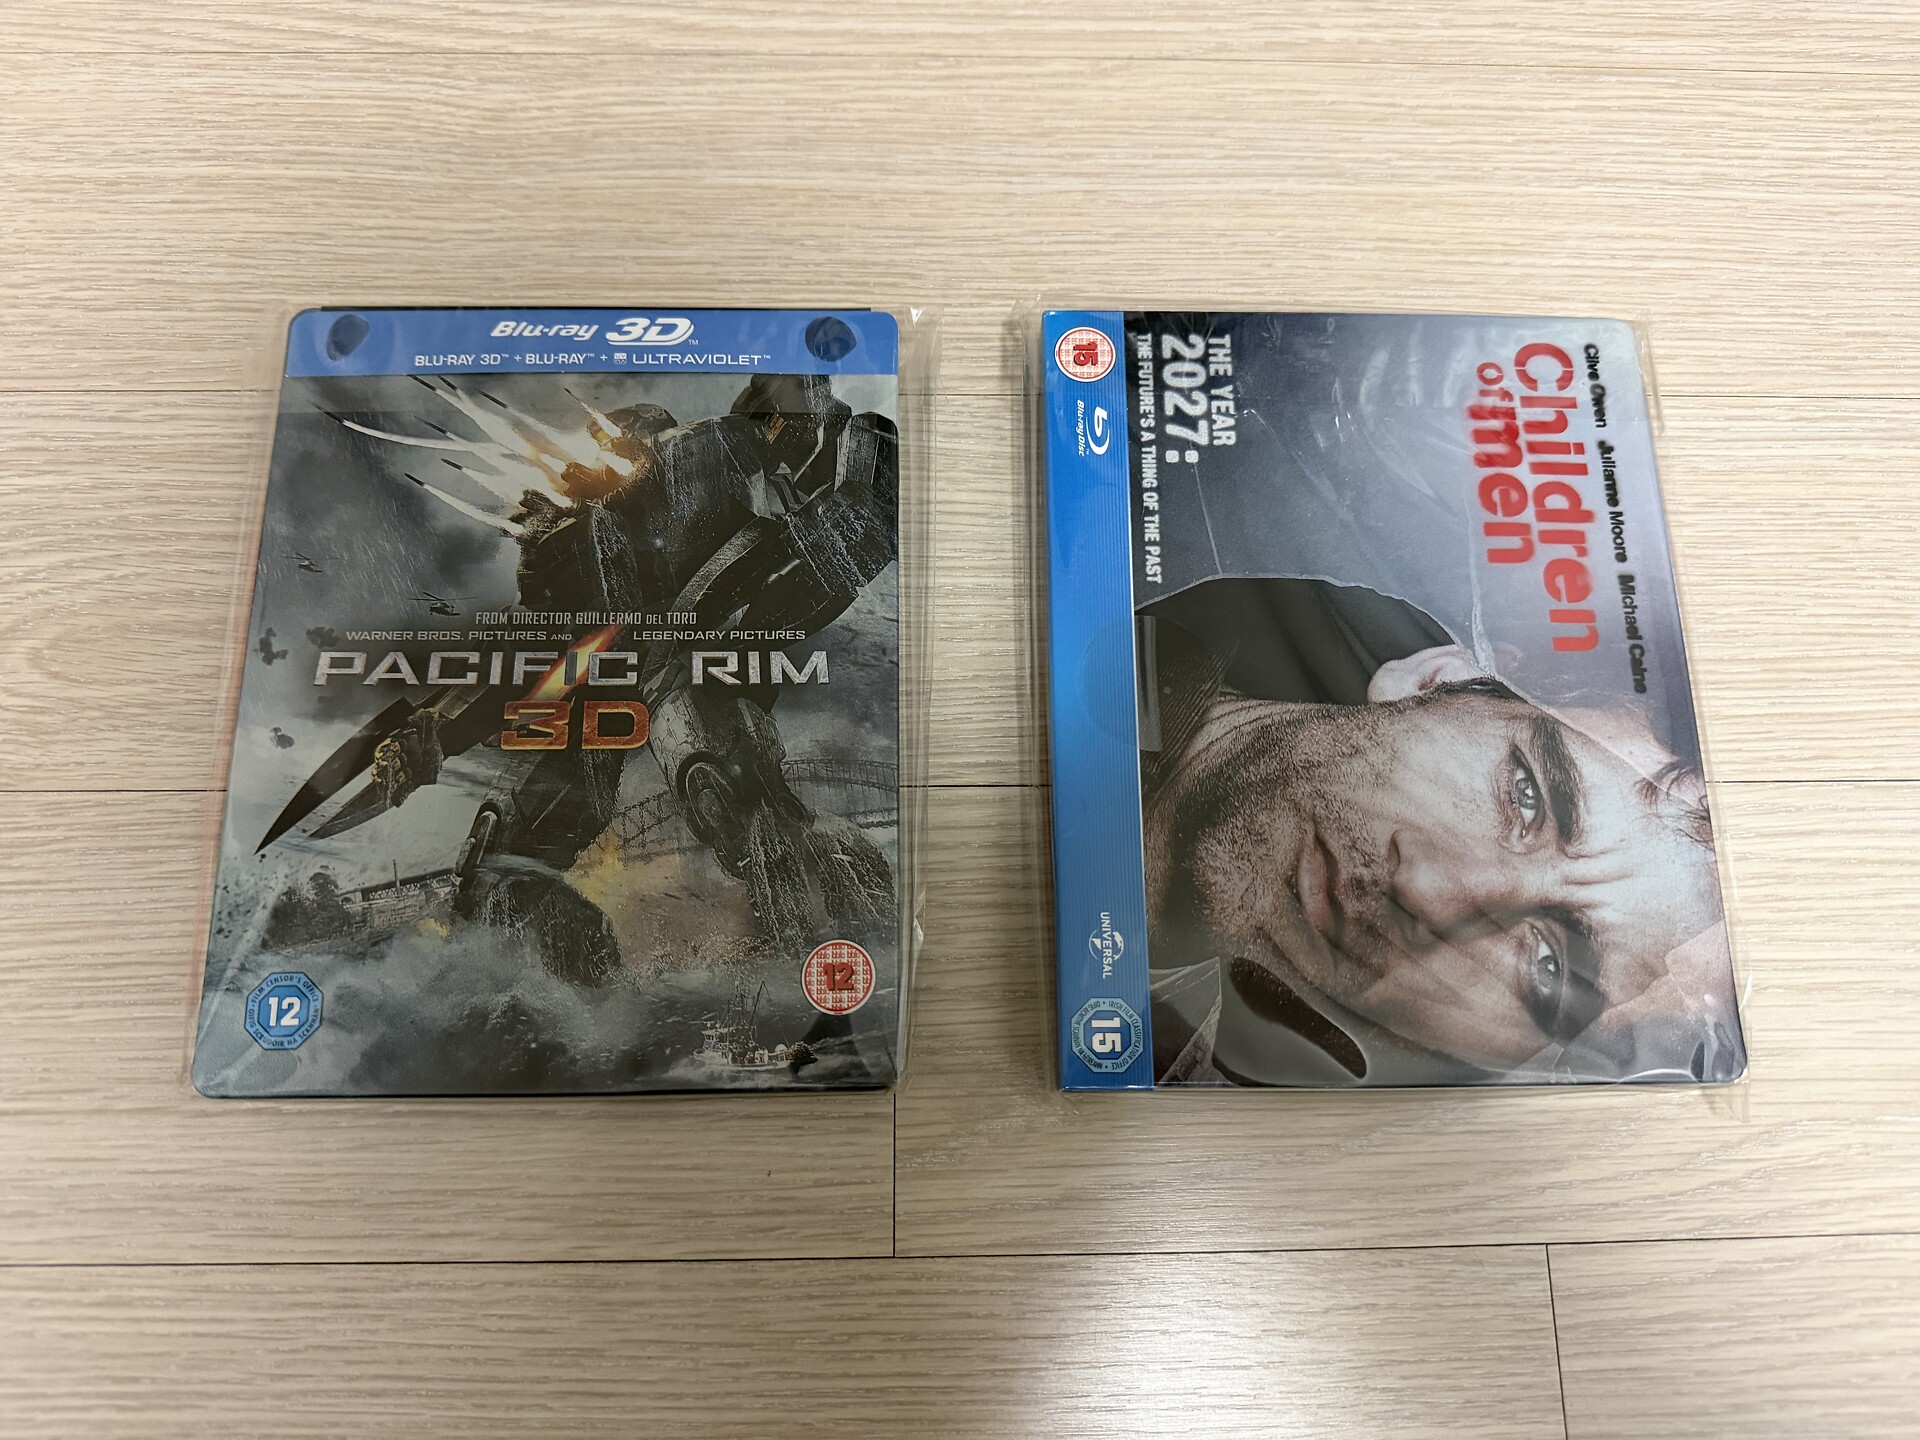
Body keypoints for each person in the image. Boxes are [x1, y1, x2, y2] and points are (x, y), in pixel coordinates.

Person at [1139, 577, 1745, 1087]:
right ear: (1434, 678)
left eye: (1549, 972)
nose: (1428, 890)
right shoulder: (1120, 585)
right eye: (1527, 795)